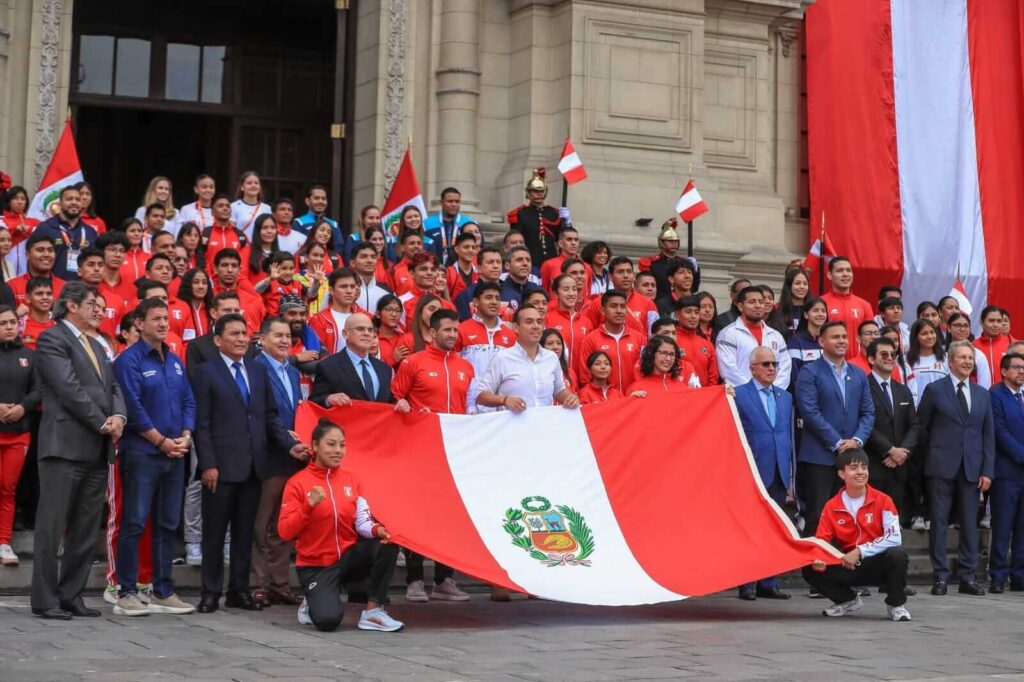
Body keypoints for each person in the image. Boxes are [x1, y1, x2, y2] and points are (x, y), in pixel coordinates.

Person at [192, 313, 306, 614]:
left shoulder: (257, 371)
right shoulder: (206, 372)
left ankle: (238, 591)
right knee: (215, 534)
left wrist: (290, 445)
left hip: (255, 466)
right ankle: (209, 591)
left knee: (245, 533)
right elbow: (201, 423)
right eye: (234, 334)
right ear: (218, 340)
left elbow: (269, 417)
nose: (242, 338)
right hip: (220, 467)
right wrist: (208, 464)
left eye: (245, 333)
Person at [31, 282, 127, 619]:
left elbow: (114, 386)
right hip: (64, 446)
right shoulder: (52, 338)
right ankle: (44, 598)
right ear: (71, 306)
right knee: (51, 526)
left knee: (86, 530)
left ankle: (71, 594)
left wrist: (118, 415)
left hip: (96, 448)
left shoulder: (99, 345)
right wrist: (101, 421)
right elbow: (67, 387)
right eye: (91, 303)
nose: (98, 309)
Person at [110, 298, 196, 617]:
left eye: (165, 318)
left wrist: (185, 436)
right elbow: (131, 407)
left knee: (167, 523)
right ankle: (127, 591)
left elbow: (189, 400)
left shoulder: (173, 360)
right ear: (139, 323)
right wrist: (161, 442)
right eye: (155, 318)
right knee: (134, 521)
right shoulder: (128, 361)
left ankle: (162, 590)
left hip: (174, 453)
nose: (162, 323)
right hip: (143, 453)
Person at [278, 418, 403, 632]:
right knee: (328, 622)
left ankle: (373, 612)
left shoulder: (352, 480)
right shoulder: (297, 483)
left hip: (347, 557)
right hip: (316, 566)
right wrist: (308, 506)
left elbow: (362, 522)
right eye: (331, 444)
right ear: (315, 446)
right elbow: (285, 531)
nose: (338, 450)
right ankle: (312, 600)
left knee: (387, 542)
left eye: (342, 445)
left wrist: (376, 530)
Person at [391, 309, 473, 603]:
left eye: (455, 330)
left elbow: (471, 404)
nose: (452, 335)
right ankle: (414, 580)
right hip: (421, 452)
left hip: (455, 453)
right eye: (447, 330)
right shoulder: (413, 363)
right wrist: (410, 411)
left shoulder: (465, 366)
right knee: (420, 515)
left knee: (449, 516)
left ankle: (445, 579)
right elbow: (395, 398)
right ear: (432, 333)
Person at [916, 340, 994, 596]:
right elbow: (922, 428)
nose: (967, 362)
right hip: (941, 467)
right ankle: (940, 577)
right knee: (938, 522)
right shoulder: (935, 389)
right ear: (950, 361)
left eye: (970, 358)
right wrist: (935, 454)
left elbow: (987, 436)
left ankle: (968, 576)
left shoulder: (982, 394)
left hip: (972, 468)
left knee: (970, 523)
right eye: (962, 357)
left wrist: (987, 470)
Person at [803, 449, 911, 621]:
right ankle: (847, 600)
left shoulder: (883, 500)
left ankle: (896, 605)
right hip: (847, 564)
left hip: (877, 562)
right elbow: (822, 540)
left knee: (897, 554)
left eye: (864, 467)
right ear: (841, 474)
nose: (860, 472)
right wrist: (819, 558)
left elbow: (894, 537)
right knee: (809, 567)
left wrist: (860, 551)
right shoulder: (831, 506)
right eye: (854, 468)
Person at [795, 320, 874, 538]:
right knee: (819, 514)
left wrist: (857, 441)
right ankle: (815, 565)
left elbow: (868, 412)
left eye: (844, 337)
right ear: (821, 341)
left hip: (851, 458)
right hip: (820, 457)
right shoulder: (809, 372)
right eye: (835, 337)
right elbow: (809, 412)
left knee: (848, 513)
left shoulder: (859, 374)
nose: (841, 341)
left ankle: (842, 564)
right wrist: (838, 443)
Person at [250, 317, 308, 608]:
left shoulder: (293, 372)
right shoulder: (256, 368)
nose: (285, 341)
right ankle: (259, 583)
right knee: (262, 523)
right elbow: (263, 415)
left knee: (284, 523)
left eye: (288, 336)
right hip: (269, 454)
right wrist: (286, 439)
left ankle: (280, 583)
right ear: (262, 338)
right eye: (278, 336)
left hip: (292, 455)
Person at [733, 346, 794, 600]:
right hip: (752, 469)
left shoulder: (785, 396)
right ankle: (746, 582)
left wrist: (792, 476)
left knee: (774, 527)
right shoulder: (737, 394)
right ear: (752, 368)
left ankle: (769, 582)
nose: (771, 368)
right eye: (766, 364)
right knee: (748, 528)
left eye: (774, 364)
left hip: (779, 469)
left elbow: (787, 434)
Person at [474, 305, 580, 412]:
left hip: (545, 426)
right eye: (529, 322)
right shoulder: (502, 358)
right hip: (512, 427)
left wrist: (570, 398)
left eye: (539, 322)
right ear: (516, 327)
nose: (536, 326)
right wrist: (505, 400)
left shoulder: (551, 358)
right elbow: (480, 395)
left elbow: (559, 391)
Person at [0, 305, 40, 566]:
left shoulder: (29, 354)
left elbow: (39, 389)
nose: (9, 327)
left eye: (13, 322)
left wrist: (22, 407)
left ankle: (3, 543)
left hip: (18, 433)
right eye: (3, 323)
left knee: (7, 488)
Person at [863, 337, 919, 522]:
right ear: (871, 359)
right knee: (872, 521)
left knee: (895, 523)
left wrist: (901, 453)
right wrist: (889, 450)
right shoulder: (862, 386)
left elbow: (914, 425)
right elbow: (864, 423)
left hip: (900, 467)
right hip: (874, 465)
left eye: (893, 354)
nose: (889, 358)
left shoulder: (903, 390)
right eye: (884, 354)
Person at [310, 313, 410, 412]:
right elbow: (314, 402)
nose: (367, 333)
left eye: (370, 330)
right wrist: (329, 399)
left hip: (379, 427)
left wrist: (399, 404)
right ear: (346, 334)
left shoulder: (384, 369)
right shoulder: (329, 366)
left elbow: (388, 401)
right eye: (360, 329)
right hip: (345, 426)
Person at [988, 352, 1024, 592]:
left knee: (1023, 528)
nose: (1022, 372)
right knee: (1002, 526)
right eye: (1017, 368)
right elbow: (999, 431)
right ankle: (998, 576)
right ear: (1004, 371)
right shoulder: (995, 395)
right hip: (1007, 472)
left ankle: (1019, 575)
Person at [716, 286, 791, 390]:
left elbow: (785, 367)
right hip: (741, 396)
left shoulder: (776, 335)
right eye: (752, 302)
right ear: (740, 306)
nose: (758, 306)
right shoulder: (728, 334)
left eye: (761, 302)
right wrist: (754, 393)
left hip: (772, 397)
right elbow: (729, 370)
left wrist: (773, 391)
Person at [458, 282, 518, 412]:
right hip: (469, 405)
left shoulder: (510, 334)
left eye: (497, 298)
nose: (494, 302)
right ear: (476, 302)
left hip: (501, 406)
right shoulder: (461, 330)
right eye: (488, 297)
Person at [575, 290, 645, 391]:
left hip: (634, 399)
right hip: (606, 402)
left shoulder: (640, 338)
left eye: (622, 306)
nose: (619, 311)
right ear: (603, 310)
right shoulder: (590, 340)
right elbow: (585, 377)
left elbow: (646, 371)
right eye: (613, 306)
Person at [506, 168, 570, 267]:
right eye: (535, 191)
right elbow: (515, 240)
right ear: (529, 193)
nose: (539, 193)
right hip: (530, 262)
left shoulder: (554, 213)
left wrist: (567, 223)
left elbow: (563, 238)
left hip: (552, 260)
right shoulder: (521, 214)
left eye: (542, 191)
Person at [33, 185, 97, 281]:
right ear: (60, 203)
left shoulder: (90, 232)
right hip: (52, 288)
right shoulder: (45, 228)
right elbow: (33, 259)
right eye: (69, 199)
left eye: (77, 199)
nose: (74, 202)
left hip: (82, 289)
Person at [821, 257, 873, 359]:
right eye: (840, 271)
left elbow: (871, 338)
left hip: (858, 367)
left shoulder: (864, 305)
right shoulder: (820, 303)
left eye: (848, 270)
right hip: (829, 364)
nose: (845, 274)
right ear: (829, 275)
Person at [309, 268, 364, 354]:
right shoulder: (318, 320)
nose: (349, 291)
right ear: (331, 290)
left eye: (352, 287)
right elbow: (316, 354)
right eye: (343, 286)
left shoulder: (366, 317)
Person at [626, 335, 701, 395]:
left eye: (672, 354)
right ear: (652, 354)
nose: (668, 358)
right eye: (664, 353)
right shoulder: (636, 389)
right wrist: (631, 400)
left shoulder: (683, 388)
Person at [423, 186, 478, 266]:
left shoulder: (470, 223)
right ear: (441, 202)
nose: (454, 204)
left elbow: (478, 248)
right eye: (450, 201)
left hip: (461, 271)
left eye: (457, 201)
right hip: (434, 270)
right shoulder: (427, 224)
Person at [673, 296, 718, 387]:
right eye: (688, 312)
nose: (693, 316)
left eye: (696, 312)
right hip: (678, 395)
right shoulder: (671, 341)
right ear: (677, 315)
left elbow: (713, 377)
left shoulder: (707, 344)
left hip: (704, 396)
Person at [906, 319, 948, 407]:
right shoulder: (907, 361)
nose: (930, 336)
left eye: (932, 332)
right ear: (915, 337)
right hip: (917, 411)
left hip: (942, 410)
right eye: (924, 334)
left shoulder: (946, 358)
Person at [202, 194, 249, 269]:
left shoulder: (241, 236)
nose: (225, 208)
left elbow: (244, 265)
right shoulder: (204, 234)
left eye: (228, 206)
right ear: (212, 212)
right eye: (220, 206)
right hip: (210, 279)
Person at [948, 311, 991, 388]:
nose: (962, 329)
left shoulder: (978, 355)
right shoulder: (941, 353)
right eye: (957, 325)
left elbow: (984, 387)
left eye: (966, 326)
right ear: (949, 328)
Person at [349, 240, 391, 314]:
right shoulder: (343, 288)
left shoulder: (387, 291)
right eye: (363, 257)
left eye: (373, 257)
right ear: (352, 263)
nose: (369, 260)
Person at [230, 171, 271, 240]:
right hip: (241, 247)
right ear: (242, 187)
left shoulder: (267, 208)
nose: (253, 185)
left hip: (260, 248)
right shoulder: (233, 207)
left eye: (256, 183)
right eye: (249, 183)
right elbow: (231, 231)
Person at [975, 305, 1010, 383]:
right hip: (980, 393)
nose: (995, 325)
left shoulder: (1011, 345)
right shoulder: (972, 346)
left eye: (999, 321)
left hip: (1005, 394)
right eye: (991, 321)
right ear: (981, 322)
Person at [444, 232, 479, 301]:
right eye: (466, 247)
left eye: (473, 247)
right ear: (456, 249)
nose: (470, 250)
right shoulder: (448, 273)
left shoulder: (480, 272)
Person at [776, 267, 810, 338]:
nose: (802, 287)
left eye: (805, 283)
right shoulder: (777, 309)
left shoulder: (813, 309)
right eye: (797, 283)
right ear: (789, 286)